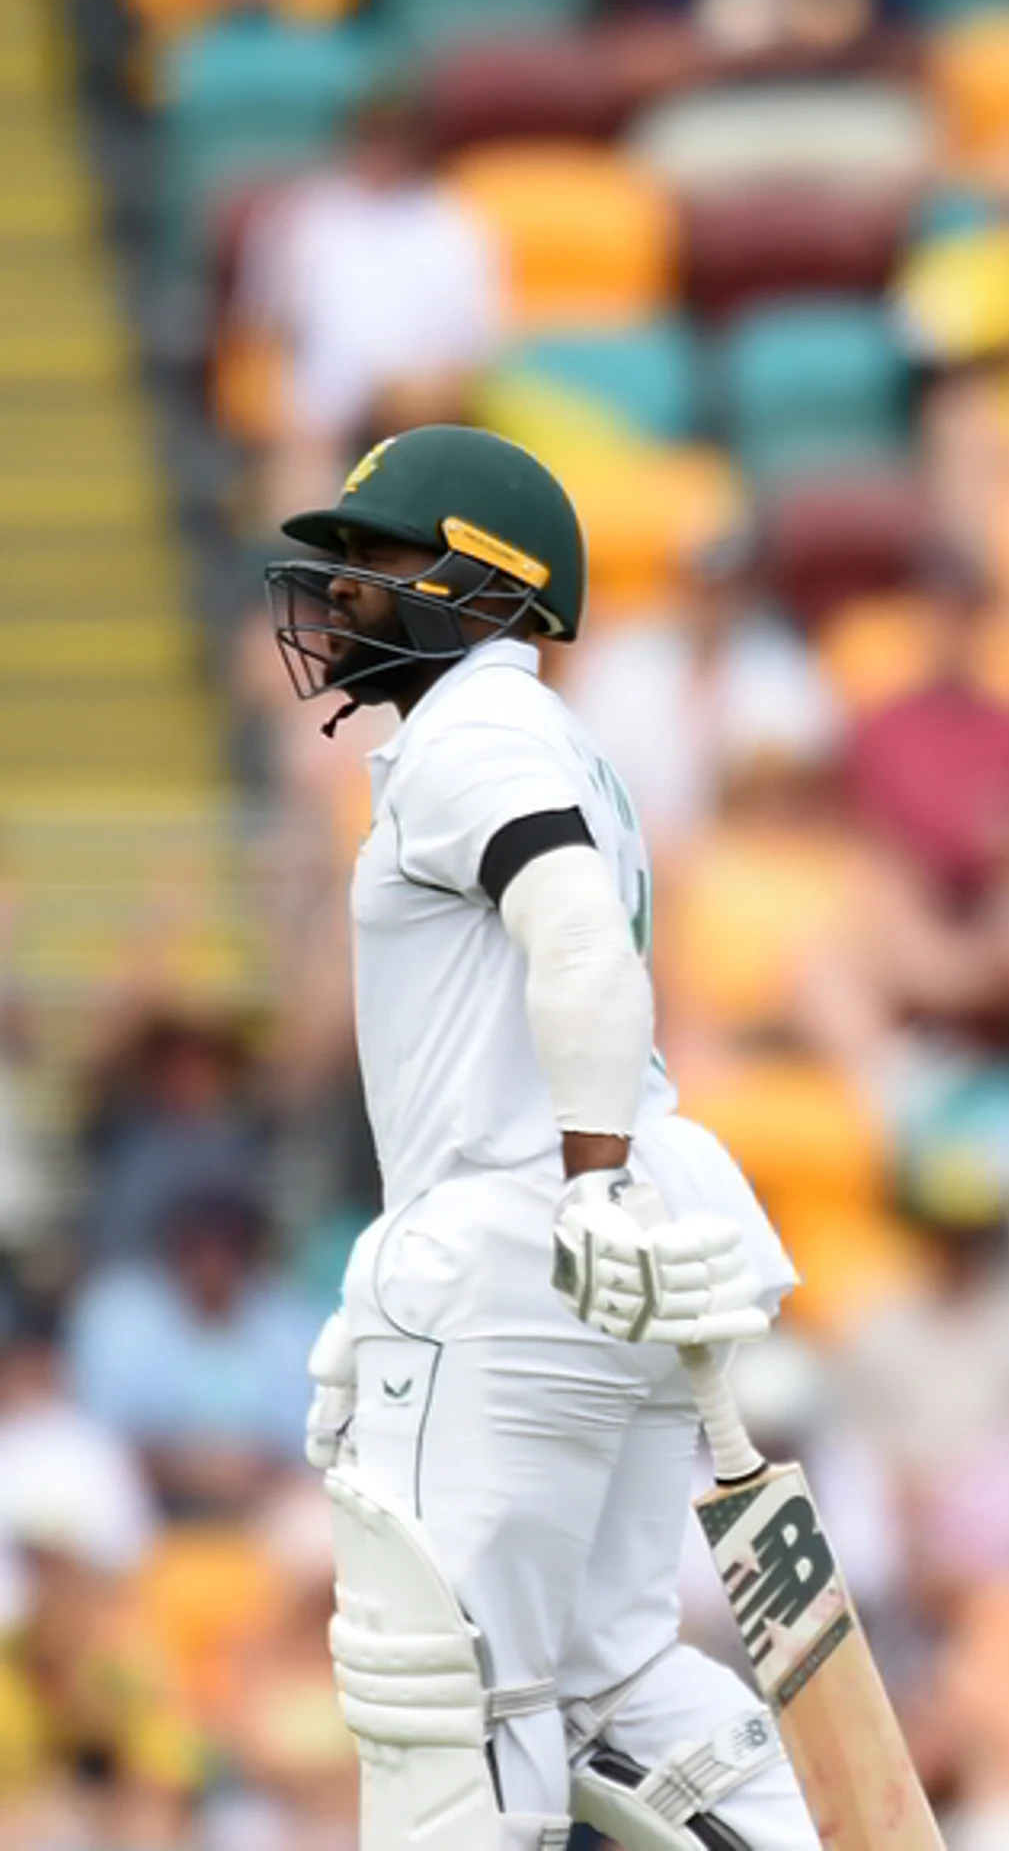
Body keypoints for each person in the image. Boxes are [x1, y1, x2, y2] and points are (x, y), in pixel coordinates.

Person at [265, 423, 811, 1851]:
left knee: (445, 1701)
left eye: (383, 561)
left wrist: (582, 1187)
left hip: (532, 1236)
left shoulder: (477, 730)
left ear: (494, 593)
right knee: (609, 1673)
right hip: (588, 1234)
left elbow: (571, 930)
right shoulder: (530, 734)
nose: (342, 595)